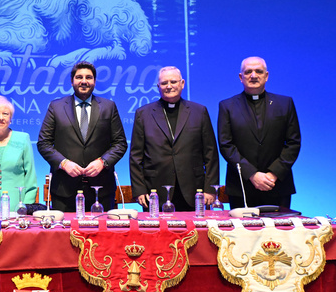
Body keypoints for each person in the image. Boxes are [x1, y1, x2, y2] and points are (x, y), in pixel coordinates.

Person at [37, 61, 127, 212]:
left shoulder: (108, 106)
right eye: (79, 77)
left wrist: (103, 162)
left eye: (89, 77)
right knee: (64, 235)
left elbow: (120, 143)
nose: (84, 81)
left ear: (94, 81)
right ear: (72, 81)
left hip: (101, 188)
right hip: (64, 189)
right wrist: (64, 163)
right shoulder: (56, 106)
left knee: (102, 234)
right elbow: (43, 143)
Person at [129, 66, 219, 211]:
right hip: (155, 191)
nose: (169, 86)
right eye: (164, 83)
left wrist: (210, 188)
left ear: (182, 83)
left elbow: (211, 154)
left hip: (194, 191)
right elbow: (135, 157)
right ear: (158, 86)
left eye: (173, 82)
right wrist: (139, 189)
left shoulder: (199, 111)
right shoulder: (143, 114)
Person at [217, 56, 301, 209]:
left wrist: (273, 174)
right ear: (241, 77)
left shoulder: (285, 104)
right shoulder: (227, 106)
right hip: (241, 187)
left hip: (277, 185)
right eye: (248, 72)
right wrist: (253, 175)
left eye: (258, 71)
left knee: (280, 233)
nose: (253, 75)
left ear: (266, 76)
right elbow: (226, 145)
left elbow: (293, 143)